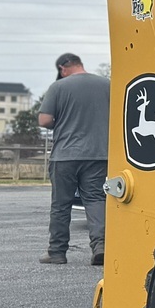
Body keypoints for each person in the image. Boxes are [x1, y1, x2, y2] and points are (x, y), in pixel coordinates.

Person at [37, 53, 110, 265]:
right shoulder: (108, 85)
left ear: (63, 68)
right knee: (96, 199)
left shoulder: (58, 87)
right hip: (99, 153)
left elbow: (44, 120)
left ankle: (57, 252)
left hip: (65, 155)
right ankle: (100, 246)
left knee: (61, 204)